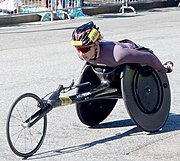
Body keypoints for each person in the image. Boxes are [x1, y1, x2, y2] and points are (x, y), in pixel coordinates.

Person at [71, 21, 173, 73]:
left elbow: (148, 57)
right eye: (78, 49)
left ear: (96, 44)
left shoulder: (118, 55)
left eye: (85, 49)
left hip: (132, 50)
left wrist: (163, 69)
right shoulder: (85, 54)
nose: (81, 53)